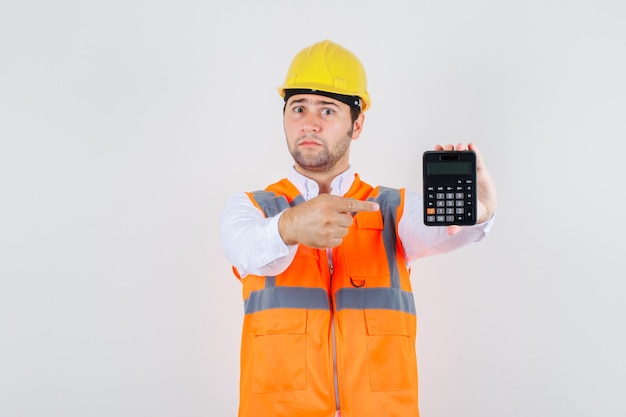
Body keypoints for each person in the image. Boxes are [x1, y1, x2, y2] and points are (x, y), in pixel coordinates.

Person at [220, 39, 497, 417]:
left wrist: (478, 211)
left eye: (328, 110)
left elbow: (443, 227)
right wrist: (291, 226)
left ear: (358, 123)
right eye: (298, 108)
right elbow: (247, 250)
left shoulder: (394, 211)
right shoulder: (252, 208)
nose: (310, 123)